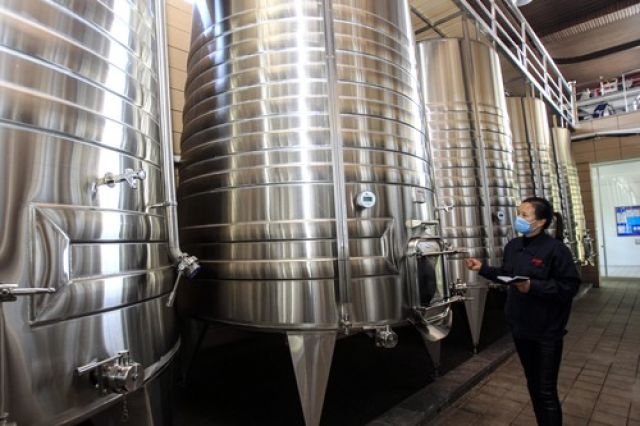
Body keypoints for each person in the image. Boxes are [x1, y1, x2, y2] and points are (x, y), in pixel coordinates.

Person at [465, 197, 580, 426]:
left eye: (525, 215)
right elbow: (508, 275)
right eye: (518, 213)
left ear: (541, 222)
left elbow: (569, 286)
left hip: (546, 331)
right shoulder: (513, 246)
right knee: (533, 384)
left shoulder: (556, 250)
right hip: (521, 327)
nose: (519, 218)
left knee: (546, 390)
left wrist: (533, 286)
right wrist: (483, 269)